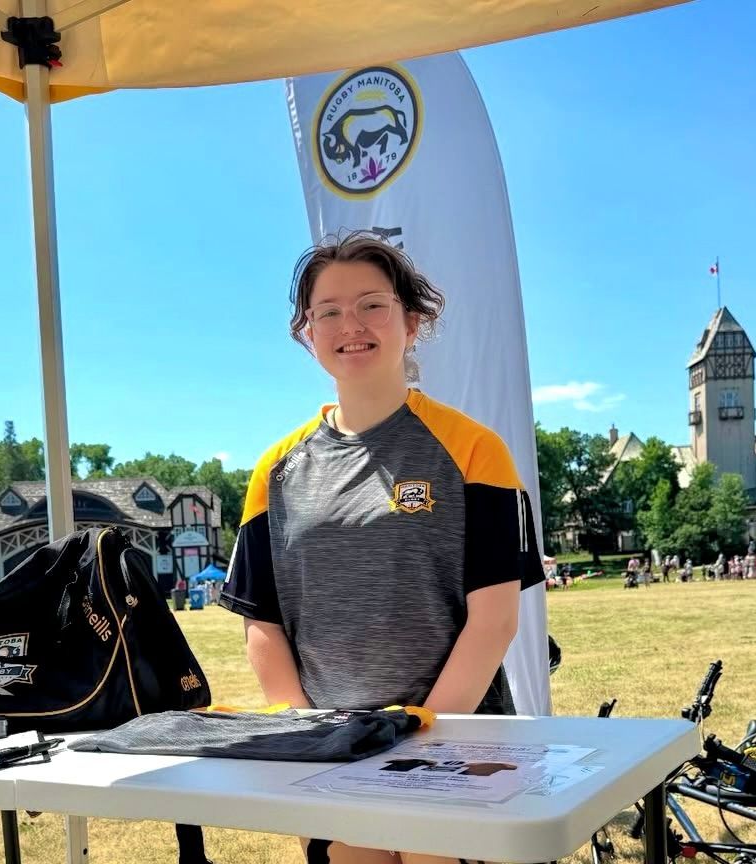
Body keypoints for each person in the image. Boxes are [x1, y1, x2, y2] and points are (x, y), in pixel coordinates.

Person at [219, 232, 546, 864]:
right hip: (335, 754)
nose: (352, 325)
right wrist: (309, 734)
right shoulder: (275, 470)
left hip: (455, 747)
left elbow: (495, 619)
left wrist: (420, 736)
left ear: (411, 322)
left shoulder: (475, 451)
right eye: (329, 311)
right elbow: (263, 626)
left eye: (372, 305)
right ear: (307, 334)